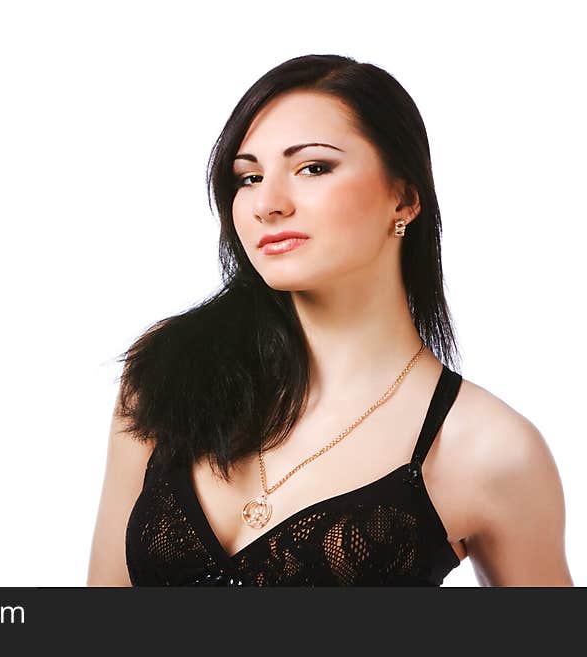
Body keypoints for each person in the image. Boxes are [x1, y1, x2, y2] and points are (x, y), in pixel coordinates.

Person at [86, 54, 573, 586]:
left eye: (313, 168)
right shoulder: (165, 371)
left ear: (404, 198)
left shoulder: (490, 449)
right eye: (248, 177)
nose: (267, 203)